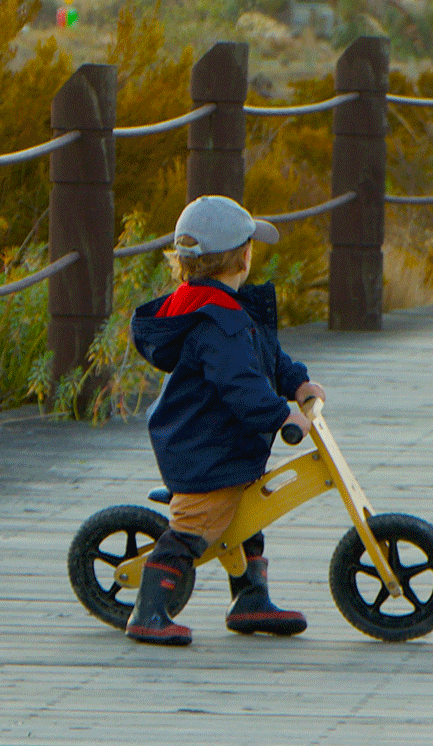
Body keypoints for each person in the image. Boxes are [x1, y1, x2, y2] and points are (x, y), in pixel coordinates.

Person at [124, 196, 325, 645]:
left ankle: (250, 599)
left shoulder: (226, 310)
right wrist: (280, 414)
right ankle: (148, 611)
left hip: (221, 443)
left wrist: (297, 383)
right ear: (242, 256)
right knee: (196, 529)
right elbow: (242, 385)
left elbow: (266, 358)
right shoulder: (217, 322)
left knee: (249, 515)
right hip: (204, 450)